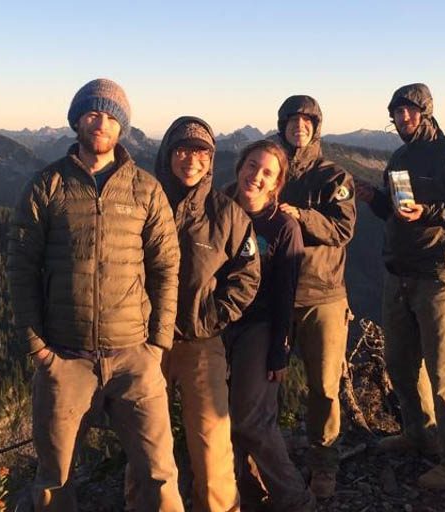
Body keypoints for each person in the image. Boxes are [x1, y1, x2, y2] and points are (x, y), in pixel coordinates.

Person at [5, 78, 184, 512]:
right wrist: (39, 350)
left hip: (134, 356)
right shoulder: (46, 186)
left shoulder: (146, 189)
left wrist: (157, 345)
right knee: (54, 477)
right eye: (92, 113)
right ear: (77, 120)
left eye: (110, 116)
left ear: (122, 127)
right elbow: (21, 268)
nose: (100, 122)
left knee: (160, 473)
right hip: (65, 357)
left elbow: (166, 268)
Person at [357, 83, 445, 490]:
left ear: (426, 112)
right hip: (398, 273)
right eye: (397, 114)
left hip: (437, 276)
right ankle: (419, 434)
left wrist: (432, 211)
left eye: (409, 112)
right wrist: (374, 200)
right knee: (400, 363)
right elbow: (400, 213)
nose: (402, 120)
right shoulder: (399, 157)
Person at [151, 116, 260, 512]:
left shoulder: (226, 214)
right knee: (148, 445)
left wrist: (211, 319)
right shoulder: (145, 200)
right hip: (145, 344)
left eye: (201, 152)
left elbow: (247, 277)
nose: (191, 160)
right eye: (182, 150)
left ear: (211, 159)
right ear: (168, 154)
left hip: (200, 342)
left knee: (212, 442)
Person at [273, 95, 357, 498]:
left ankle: (324, 465)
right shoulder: (271, 168)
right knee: (263, 382)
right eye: (293, 121)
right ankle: (263, 457)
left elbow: (343, 229)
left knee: (324, 388)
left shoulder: (333, 176)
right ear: (282, 125)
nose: (299, 127)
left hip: (322, 295)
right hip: (273, 294)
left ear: (316, 128)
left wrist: (300, 216)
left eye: (307, 122)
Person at [224, 139, 315, 511]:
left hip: (259, 325)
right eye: (251, 166)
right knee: (225, 420)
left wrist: (279, 348)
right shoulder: (218, 207)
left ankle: (295, 500)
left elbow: (284, 292)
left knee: (252, 419)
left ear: (277, 184)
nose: (256, 177)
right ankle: (247, 495)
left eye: (267, 173)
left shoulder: (282, 226)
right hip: (217, 323)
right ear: (239, 166)